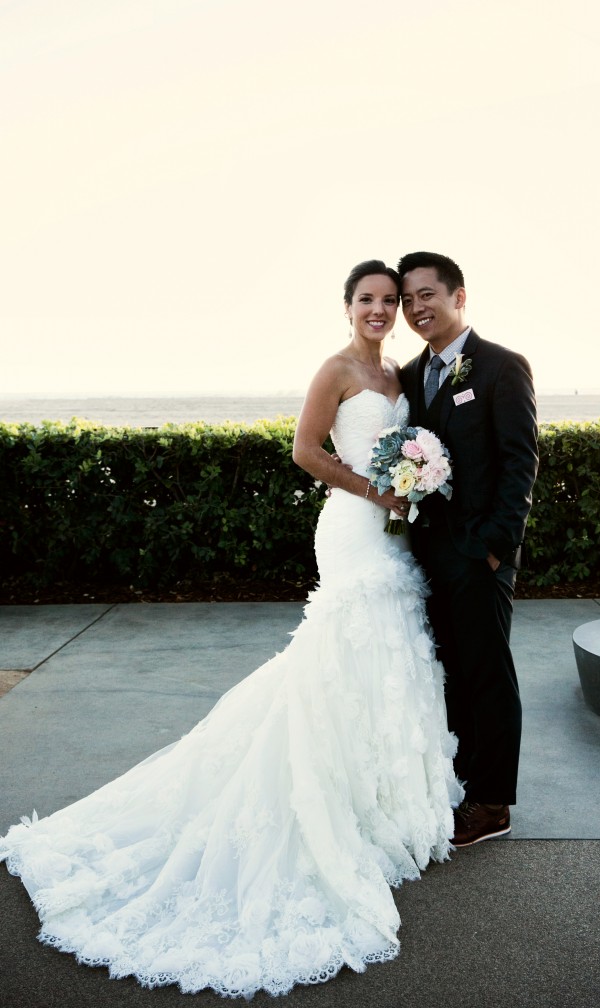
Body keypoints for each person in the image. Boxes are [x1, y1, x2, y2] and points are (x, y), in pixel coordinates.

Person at [0, 260, 463, 1000]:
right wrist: (372, 489)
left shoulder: (399, 379)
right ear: (347, 307)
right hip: (351, 526)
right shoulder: (336, 369)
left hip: (392, 527)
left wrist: (409, 488)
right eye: (369, 300)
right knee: (344, 648)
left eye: (391, 300)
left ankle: (369, 800)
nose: (381, 310)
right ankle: (314, 796)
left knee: (383, 655)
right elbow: (305, 450)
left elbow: (404, 452)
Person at [398, 251, 538, 847]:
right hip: (424, 553)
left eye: (426, 294)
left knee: (486, 675)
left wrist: (493, 549)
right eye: (407, 299)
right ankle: (459, 781)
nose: (415, 308)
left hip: (478, 554)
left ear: (459, 296)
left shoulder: (502, 367)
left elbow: (520, 463)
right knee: (448, 674)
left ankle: (492, 804)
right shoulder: (409, 375)